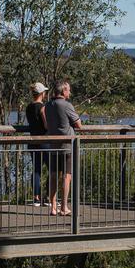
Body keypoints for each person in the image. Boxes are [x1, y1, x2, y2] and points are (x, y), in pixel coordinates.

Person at [44, 80, 82, 216]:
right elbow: (79, 125)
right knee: (67, 176)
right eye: (69, 90)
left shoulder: (48, 105)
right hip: (66, 145)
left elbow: (47, 125)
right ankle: (64, 207)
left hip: (53, 144)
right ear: (63, 91)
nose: (70, 92)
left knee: (53, 175)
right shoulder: (66, 105)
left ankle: (53, 207)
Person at [25, 82, 50, 207]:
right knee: (53, 168)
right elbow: (46, 125)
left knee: (36, 170)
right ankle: (48, 197)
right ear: (42, 93)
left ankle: (36, 198)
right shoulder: (42, 107)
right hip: (44, 141)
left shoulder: (29, 107)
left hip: (32, 140)